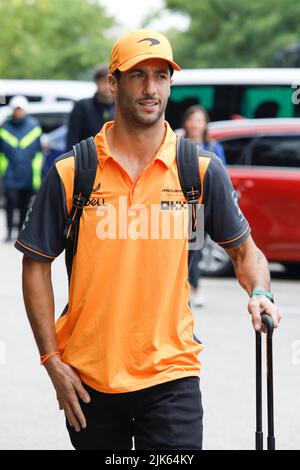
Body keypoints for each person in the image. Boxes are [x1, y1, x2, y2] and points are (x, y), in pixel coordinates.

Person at [15, 29, 281, 450]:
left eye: (161, 75)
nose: (151, 88)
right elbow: (35, 263)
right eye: (137, 75)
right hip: (89, 381)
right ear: (113, 83)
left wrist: (261, 291)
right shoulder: (73, 171)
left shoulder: (199, 167)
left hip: (171, 375)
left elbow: (245, 251)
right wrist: (51, 362)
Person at [182, 104, 226, 307]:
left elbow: (221, 175)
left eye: (199, 120)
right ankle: (190, 288)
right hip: (182, 203)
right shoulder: (177, 142)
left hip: (205, 204)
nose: (195, 125)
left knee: (196, 247)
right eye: (192, 120)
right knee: (191, 248)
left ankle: (194, 288)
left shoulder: (213, 147)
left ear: (205, 124)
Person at [0, 95, 42, 242]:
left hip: (28, 174)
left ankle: (20, 232)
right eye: (16, 109)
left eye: (20, 109)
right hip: (10, 174)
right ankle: (9, 232)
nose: (18, 112)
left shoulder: (34, 127)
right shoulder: (4, 128)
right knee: (10, 202)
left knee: (24, 205)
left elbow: (38, 153)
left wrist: (37, 177)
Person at [66, 64, 115, 149]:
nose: (107, 87)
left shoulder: (122, 107)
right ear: (96, 82)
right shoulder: (82, 107)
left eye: (110, 82)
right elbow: (72, 139)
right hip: (88, 158)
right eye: (103, 82)